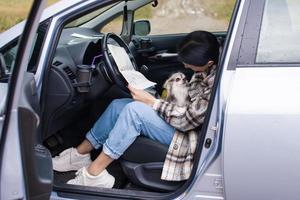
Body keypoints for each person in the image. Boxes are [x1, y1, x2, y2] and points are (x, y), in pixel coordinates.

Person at [52, 30, 220, 188]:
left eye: (189, 63)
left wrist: (152, 102)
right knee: (118, 105)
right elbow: (190, 105)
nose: (185, 65)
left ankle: (94, 174)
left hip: (190, 136)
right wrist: (157, 97)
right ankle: (80, 155)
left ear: (209, 62)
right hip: (184, 120)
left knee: (134, 112)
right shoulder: (205, 69)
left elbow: (186, 121)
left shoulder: (216, 81)